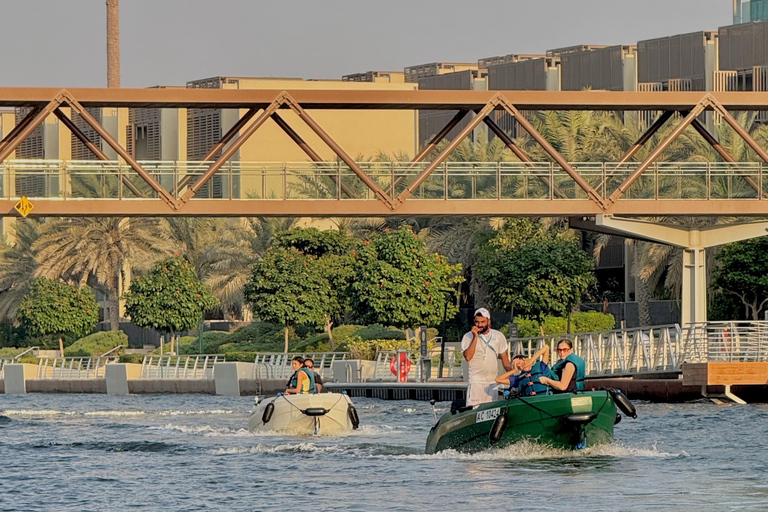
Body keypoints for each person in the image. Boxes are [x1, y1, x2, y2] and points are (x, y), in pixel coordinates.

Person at [461, 308, 513, 406]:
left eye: (483, 322)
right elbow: (468, 357)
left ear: (488, 321)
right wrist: (475, 337)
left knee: (491, 411)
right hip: (476, 382)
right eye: (477, 322)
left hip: (492, 382)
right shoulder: (468, 337)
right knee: (474, 410)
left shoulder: (498, 336)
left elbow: (505, 360)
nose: (479, 325)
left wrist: (513, 376)